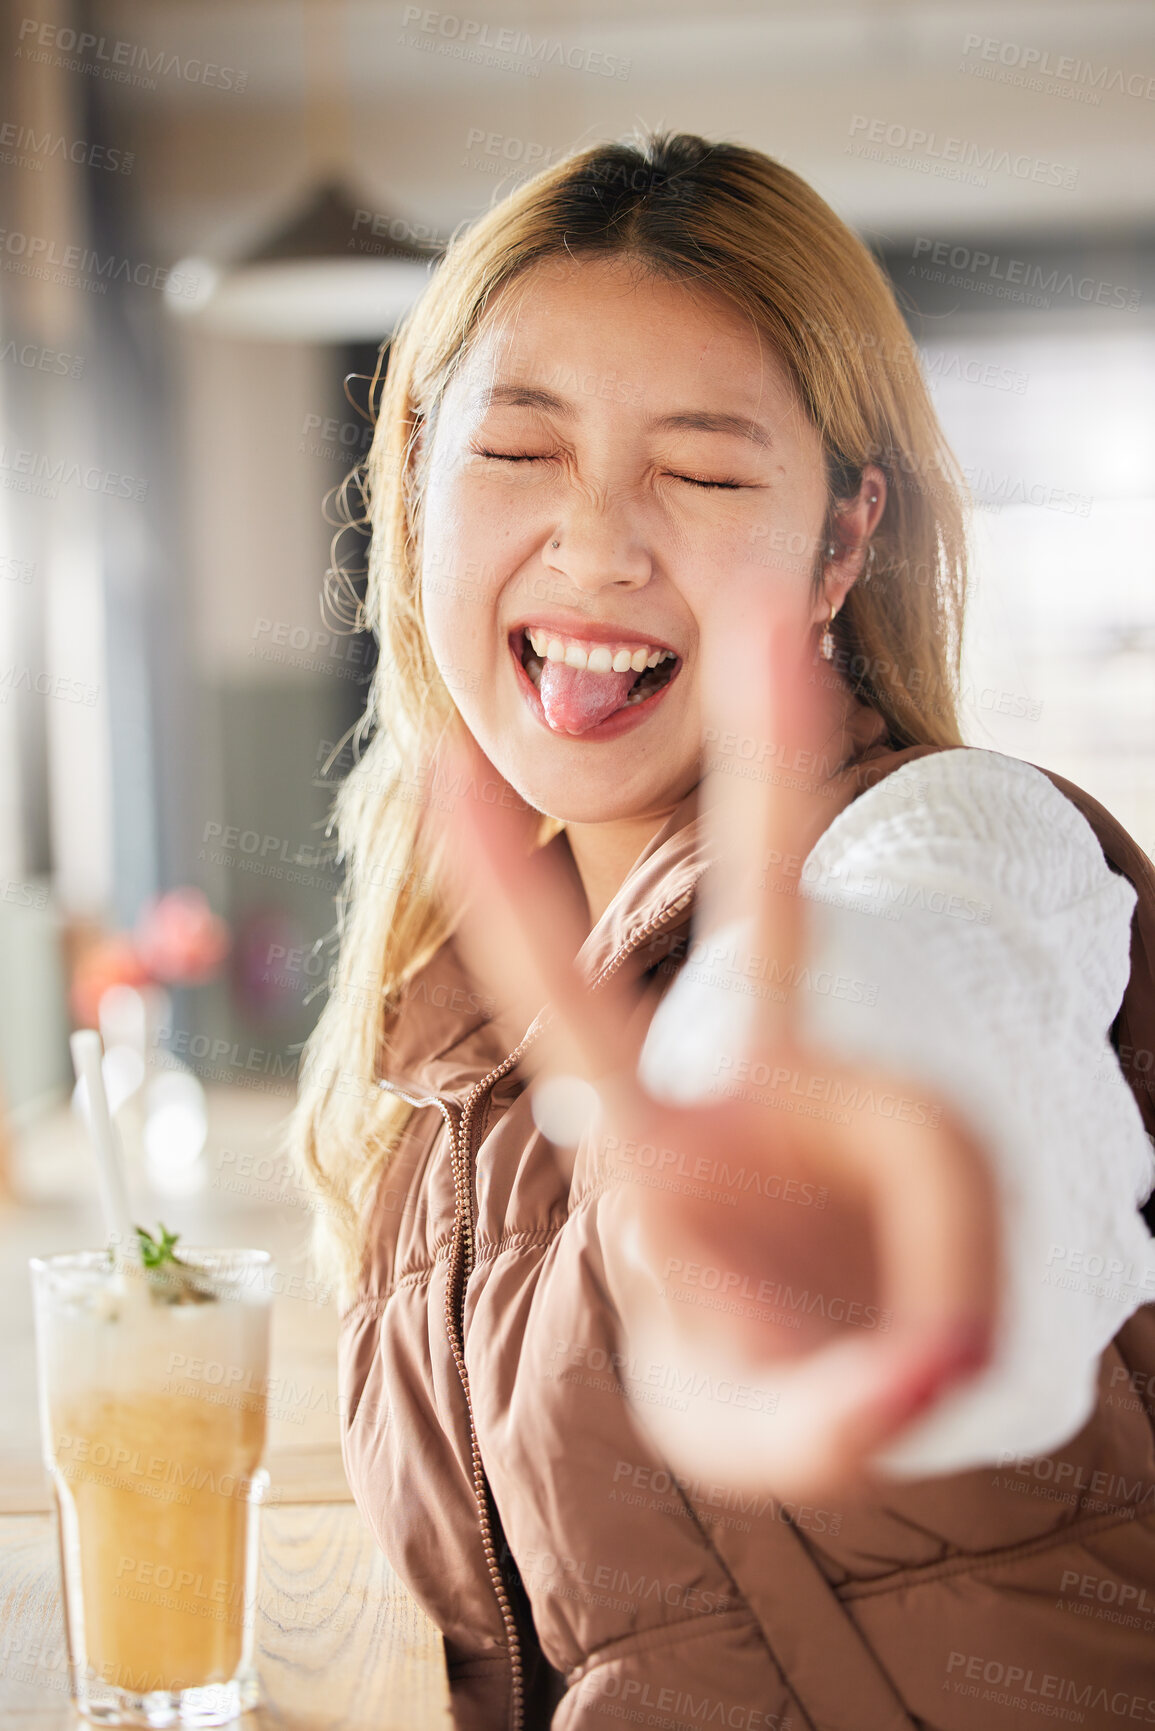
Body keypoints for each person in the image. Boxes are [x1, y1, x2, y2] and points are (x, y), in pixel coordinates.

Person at [288, 130, 1155, 1730]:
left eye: (703, 472)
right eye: (521, 451)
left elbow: (937, 974)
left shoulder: (951, 831)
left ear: (840, 543)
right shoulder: (459, 1030)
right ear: (415, 475)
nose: (601, 544)